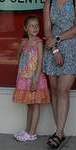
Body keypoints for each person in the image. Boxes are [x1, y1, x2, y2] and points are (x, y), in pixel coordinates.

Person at [42, 0, 76, 149]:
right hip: (53, 49)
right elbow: (47, 28)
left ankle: (59, 132)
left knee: (62, 90)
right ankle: (58, 130)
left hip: (72, 47)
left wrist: (58, 39)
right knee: (53, 89)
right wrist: (54, 48)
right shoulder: (49, 3)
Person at [12, 14, 50, 142]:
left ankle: (32, 132)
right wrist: (21, 48)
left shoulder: (39, 42)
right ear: (25, 28)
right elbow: (19, 58)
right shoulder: (24, 42)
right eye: (31, 26)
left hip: (35, 78)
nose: (35, 28)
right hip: (24, 77)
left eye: (37, 26)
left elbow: (39, 61)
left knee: (35, 105)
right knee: (29, 104)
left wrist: (35, 80)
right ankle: (27, 130)